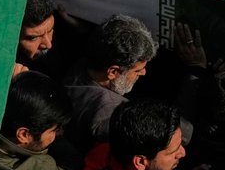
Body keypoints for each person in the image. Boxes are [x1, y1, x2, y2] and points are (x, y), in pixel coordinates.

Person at [64, 14, 158, 156]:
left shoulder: (80, 66)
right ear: (113, 72)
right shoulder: (111, 112)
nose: (144, 73)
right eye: (137, 70)